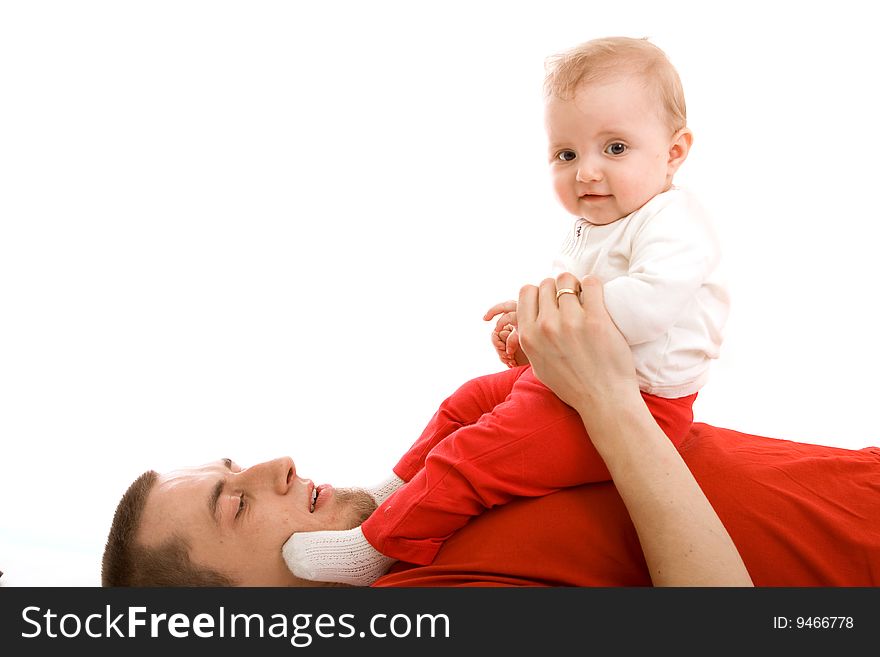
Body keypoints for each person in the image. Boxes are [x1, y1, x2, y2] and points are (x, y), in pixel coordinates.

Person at [101, 274, 880, 587]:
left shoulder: (427, 513)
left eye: (234, 464)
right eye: (232, 504)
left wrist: (569, 353)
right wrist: (606, 399)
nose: (275, 463)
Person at [285, 35, 730, 585]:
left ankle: (378, 544)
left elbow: (647, 307)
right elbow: (574, 300)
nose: (587, 172)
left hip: (643, 403)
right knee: (466, 401)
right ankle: (394, 491)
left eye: (615, 148)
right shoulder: (595, 220)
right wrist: (528, 332)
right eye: (567, 155)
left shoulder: (674, 221)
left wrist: (545, 317)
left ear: (674, 152)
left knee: (480, 454)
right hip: (578, 377)